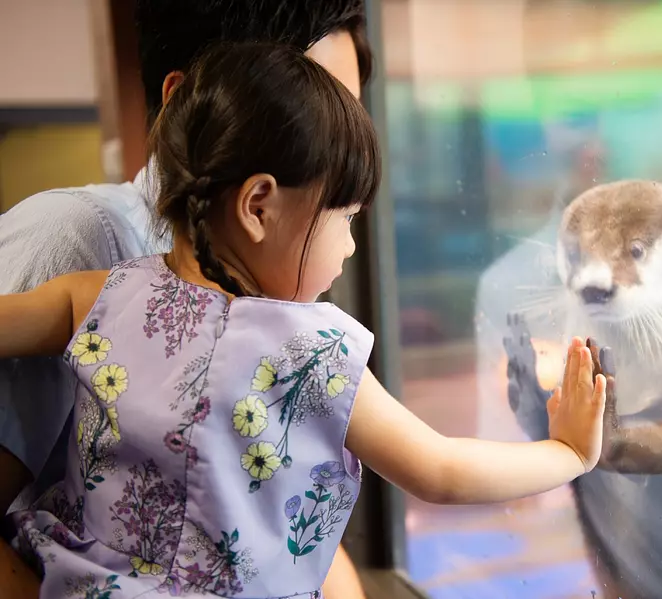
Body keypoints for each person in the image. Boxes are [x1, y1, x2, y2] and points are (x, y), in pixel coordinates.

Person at [0, 42, 608, 597]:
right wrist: (569, 454)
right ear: (259, 206)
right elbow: (441, 470)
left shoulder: (100, 294)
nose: (348, 247)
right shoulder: (314, 354)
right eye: (344, 218)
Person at [0, 2, 372, 597]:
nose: (336, 151)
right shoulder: (79, 239)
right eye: (305, 119)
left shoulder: (265, 292)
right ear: (182, 101)